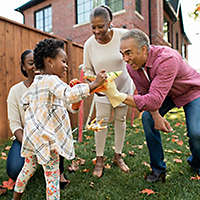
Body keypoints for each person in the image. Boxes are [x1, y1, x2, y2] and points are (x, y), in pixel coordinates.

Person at [12, 38, 107, 200]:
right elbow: (69, 95)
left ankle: (15, 198)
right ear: (49, 62)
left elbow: (26, 101)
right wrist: (93, 84)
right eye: (63, 61)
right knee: (52, 178)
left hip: (33, 137)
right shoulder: (52, 80)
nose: (66, 65)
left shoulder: (36, 82)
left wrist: (72, 102)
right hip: (46, 140)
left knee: (28, 168)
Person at [104, 28, 200, 183]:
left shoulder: (167, 59)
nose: (125, 59)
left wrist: (117, 96)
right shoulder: (132, 67)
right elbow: (144, 93)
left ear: (143, 49)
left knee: (196, 133)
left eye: (128, 53)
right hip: (165, 95)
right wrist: (156, 116)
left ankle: (197, 162)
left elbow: (153, 100)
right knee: (147, 118)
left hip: (191, 91)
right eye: (122, 54)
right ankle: (158, 169)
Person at [0, 50, 71, 197]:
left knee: (38, 168)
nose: (35, 66)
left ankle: (59, 172)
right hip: (28, 138)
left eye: (38, 62)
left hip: (49, 138)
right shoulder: (17, 91)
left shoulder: (51, 85)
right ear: (24, 66)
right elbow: (15, 125)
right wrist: (92, 85)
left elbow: (69, 102)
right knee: (16, 170)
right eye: (31, 63)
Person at [83, 5, 134, 178]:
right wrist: (96, 80)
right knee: (101, 123)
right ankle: (99, 159)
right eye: (93, 27)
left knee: (121, 120)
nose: (96, 31)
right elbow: (87, 70)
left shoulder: (122, 36)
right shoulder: (89, 45)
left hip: (123, 89)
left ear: (109, 23)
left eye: (100, 26)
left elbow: (132, 56)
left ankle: (118, 156)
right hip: (102, 91)